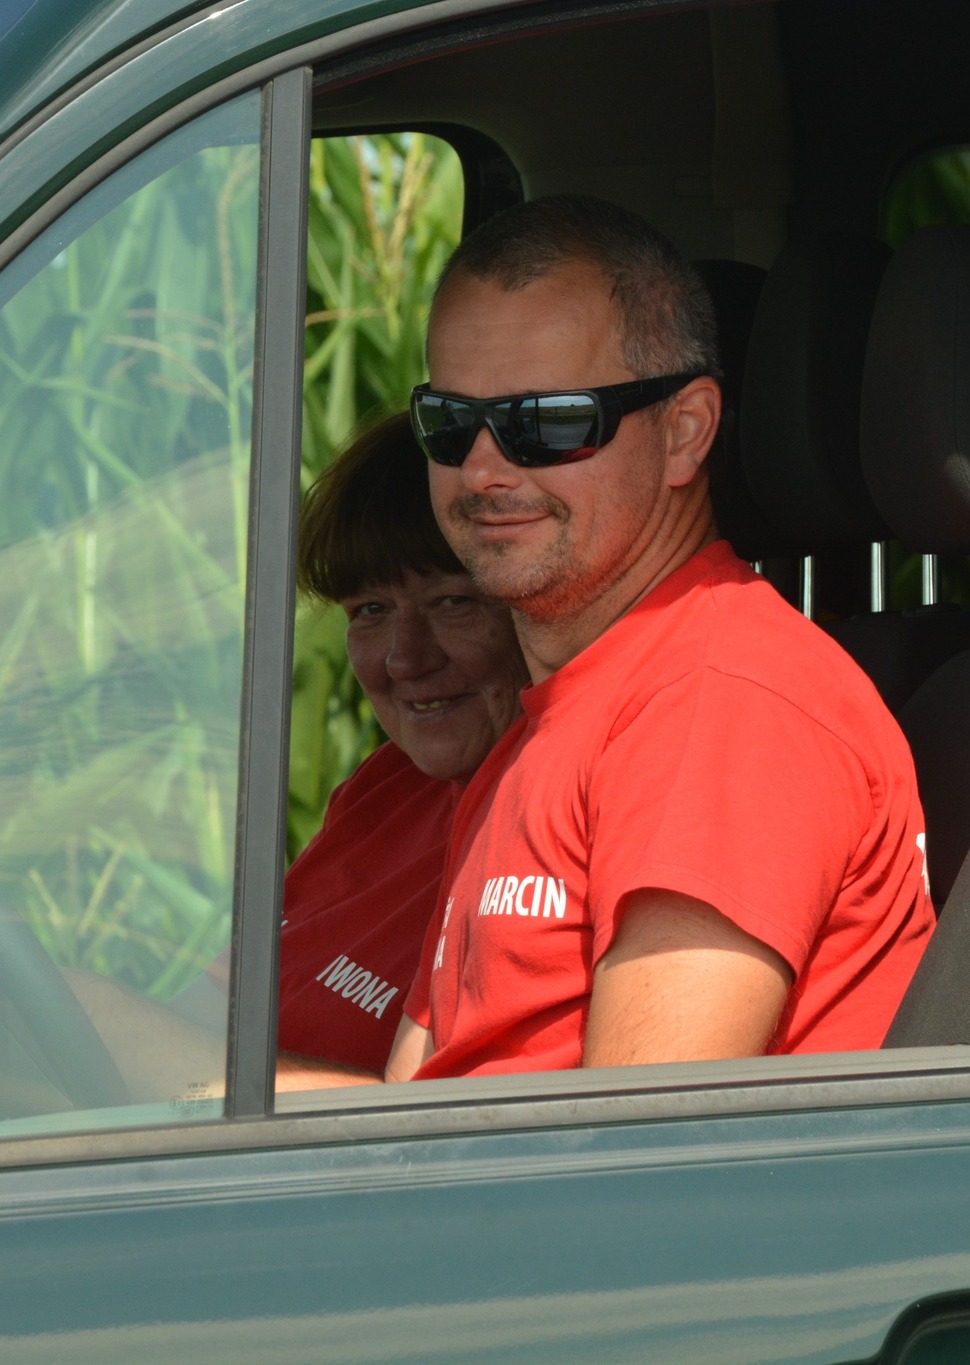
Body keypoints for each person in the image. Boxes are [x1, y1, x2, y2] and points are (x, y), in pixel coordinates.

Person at [386, 196, 935, 1082]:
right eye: (449, 423)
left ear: (685, 432)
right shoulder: (560, 716)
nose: (482, 470)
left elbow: (633, 1141)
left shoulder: (724, 703)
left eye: (547, 423)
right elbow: (410, 1098)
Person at [269, 415, 528, 1089]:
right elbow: (209, 1013)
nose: (403, 660)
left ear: (539, 608)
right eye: (369, 611)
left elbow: (448, 1127)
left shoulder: (544, 823)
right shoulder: (389, 786)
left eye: (452, 602)